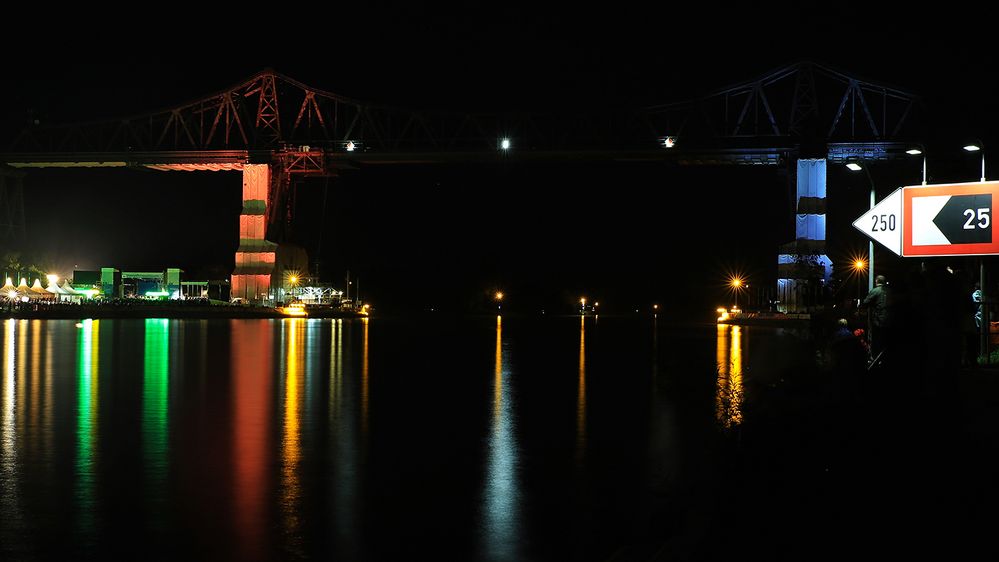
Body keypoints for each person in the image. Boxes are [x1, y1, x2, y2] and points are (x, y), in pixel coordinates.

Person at [861, 274, 890, 358]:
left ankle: (876, 359)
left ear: (876, 281)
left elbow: (865, 303)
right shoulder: (890, 291)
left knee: (877, 340)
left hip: (878, 321)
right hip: (890, 320)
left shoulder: (875, 291)